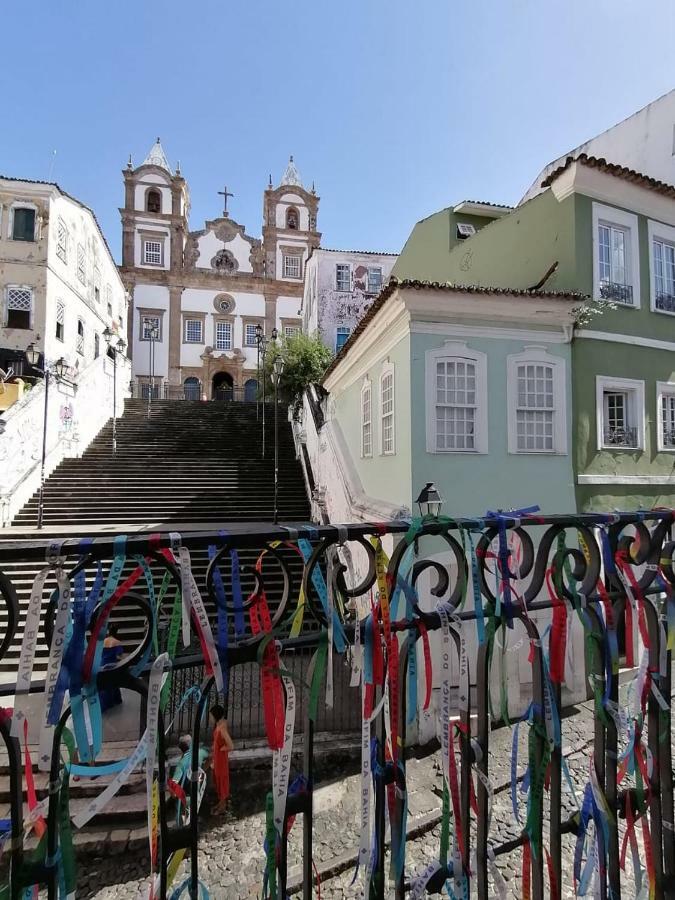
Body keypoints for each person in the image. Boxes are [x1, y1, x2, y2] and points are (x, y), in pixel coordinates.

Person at [208, 704, 233, 814]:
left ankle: (222, 807)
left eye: (211, 716)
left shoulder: (222, 728)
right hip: (217, 757)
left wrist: (223, 748)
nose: (210, 718)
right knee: (218, 780)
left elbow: (231, 745)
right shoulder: (220, 724)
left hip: (221, 759)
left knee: (221, 781)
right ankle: (221, 803)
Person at [99, 623, 124, 712]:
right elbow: (118, 656)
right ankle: (114, 700)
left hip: (102, 664)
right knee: (113, 683)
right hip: (112, 665)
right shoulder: (117, 642)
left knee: (103, 683)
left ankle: (104, 703)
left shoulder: (103, 641)